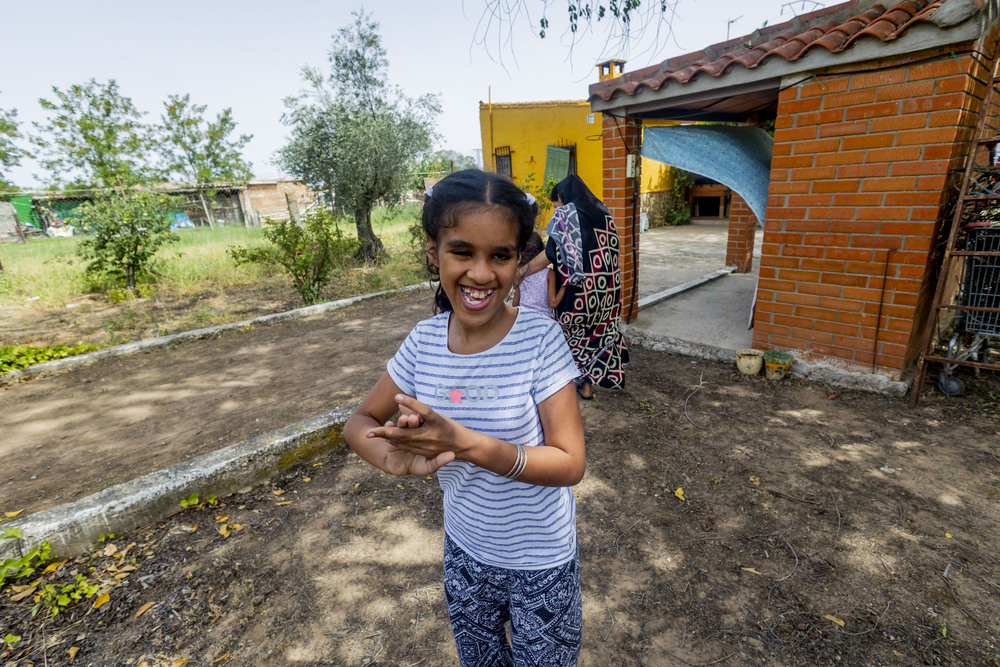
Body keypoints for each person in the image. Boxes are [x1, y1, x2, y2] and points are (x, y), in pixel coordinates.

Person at [343, 169, 586, 665]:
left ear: (520, 261)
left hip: (540, 561)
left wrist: (468, 443)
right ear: (434, 254)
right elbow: (360, 420)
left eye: (500, 255)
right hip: (466, 554)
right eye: (462, 251)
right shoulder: (424, 343)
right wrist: (392, 460)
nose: (480, 273)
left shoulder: (539, 340)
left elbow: (569, 463)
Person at [525, 174, 629, 400]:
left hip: (576, 296)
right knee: (594, 335)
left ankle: (569, 384)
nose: (558, 210)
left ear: (562, 198)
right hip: (605, 294)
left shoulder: (568, 218)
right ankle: (587, 386)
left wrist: (519, 273)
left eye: (557, 205)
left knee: (570, 338)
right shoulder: (604, 215)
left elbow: (549, 254)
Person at [513, 231, 565, 318]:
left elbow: (515, 304)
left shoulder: (520, 274)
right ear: (544, 250)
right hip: (543, 321)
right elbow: (553, 303)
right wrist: (565, 284)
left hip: (522, 318)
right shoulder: (549, 273)